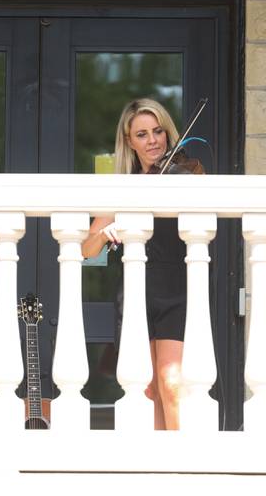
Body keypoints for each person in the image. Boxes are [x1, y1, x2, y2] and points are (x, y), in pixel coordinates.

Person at [81, 98, 204, 430]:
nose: (153, 141)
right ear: (129, 142)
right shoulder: (123, 187)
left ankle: (180, 467)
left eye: (158, 131)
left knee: (173, 383)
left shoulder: (184, 174)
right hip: (137, 292)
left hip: (177, 288)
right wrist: (107, 232)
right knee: (149, 388)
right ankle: (158, 467)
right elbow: (86, 250)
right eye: (142, 134)